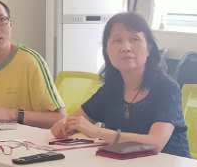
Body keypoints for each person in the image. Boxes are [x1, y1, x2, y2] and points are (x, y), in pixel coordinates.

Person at [50, 11, 189, 156]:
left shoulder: (167, 88)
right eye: (117, 41)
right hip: (123, 164)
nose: (126, 48)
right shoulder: (110, 89)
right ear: (107, 51)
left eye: (134, 39)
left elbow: (155, 143)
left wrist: (97, 132)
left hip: (169, 166)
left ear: (149, 49)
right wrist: (64, 126)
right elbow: (75, 120)